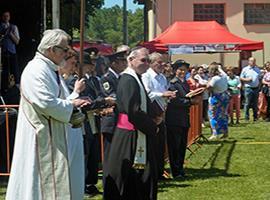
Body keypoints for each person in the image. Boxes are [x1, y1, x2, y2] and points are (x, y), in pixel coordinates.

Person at [5, 29, 91, 200]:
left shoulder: (51, 70)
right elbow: (45, 102)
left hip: (57, 135)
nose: (67, 54)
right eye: (65, 50)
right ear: (52, 49)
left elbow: (60, 99)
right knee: (38, 189)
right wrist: (72, 104)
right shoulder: (36, 69)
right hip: (42, 138)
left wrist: (74, 101)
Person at [103, 47, 159, 200]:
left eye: (148, 60)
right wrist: (152, 126)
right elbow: (132, 110)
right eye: (143, 60)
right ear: (131, 60)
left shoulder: (136, 77)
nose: (146, 63)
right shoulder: (128, 79)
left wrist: (155, 115)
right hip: (131, 134)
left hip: (137, 131)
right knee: (132, 177)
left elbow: (142, 104)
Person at [142, 52, 176, 180]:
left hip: (162, 112)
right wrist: (162, 95)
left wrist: (169, 95)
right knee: (152, 144)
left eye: (163, 62)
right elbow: (147, 94)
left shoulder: (162, 77)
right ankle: (152, 173)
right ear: (151, 63)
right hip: (151, 113)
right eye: (159, 62)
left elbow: (164, 92)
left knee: (160, 144)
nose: (162, 65)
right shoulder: (146, 76)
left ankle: (160, 172)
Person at [58, 46, 86, 200]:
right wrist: (76, 92)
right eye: (72, 63)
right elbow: (58, 105)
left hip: (73, 129)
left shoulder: (63, 79)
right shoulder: (59, 80)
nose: (74, 67)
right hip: (63, 132)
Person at [165, 60, 196, 178]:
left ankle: (180, 169)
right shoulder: (172, 83)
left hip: (183, 118)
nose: (182, 72)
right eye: (180, 69)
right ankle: (176, 171)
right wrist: (190, 102)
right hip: (174, 119)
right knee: (175, 146)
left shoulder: (185, 83)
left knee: (182, 145)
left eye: (184, 69)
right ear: (175, 71)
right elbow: (174, 101)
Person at [100, 50, 128, 169]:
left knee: (118, 152)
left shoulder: (121, 77)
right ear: (113, 64)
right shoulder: (107, 78)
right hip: (111, 121)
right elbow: (111, 96)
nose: (124, 64)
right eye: (121, 62)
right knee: (110, 153)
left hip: (119, 119)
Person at [207, 63, 230, 140]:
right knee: (223, 115)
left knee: (212, 115)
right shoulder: (224, 75)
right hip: (225, 97)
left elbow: (209, 87)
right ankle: (225, 132)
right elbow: (220, 69)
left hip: (216, 98)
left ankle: (214, 133)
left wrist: (209, 80)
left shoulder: (214, 78)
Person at [0, 11, 20, 92]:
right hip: (3, 52)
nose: (6, 17)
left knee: (15, 69)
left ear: (9, 17)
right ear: (2, 17)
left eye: (7, 16)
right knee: (4, 71)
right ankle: (4, 87)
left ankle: (17, 86)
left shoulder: (14, 27)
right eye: (4, 16)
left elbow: (17, 42)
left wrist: (10, 34)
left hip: (12, 51)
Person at [240, 57, 261, 121]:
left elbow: (259, 78)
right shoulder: (245, 69)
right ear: (249, 62)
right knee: (247, 103)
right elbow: (241, 78)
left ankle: (255, 117)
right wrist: (247, 80)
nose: (253, 62)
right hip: (248, 88)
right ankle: (246, 117)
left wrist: (259, 86)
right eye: (252, 61)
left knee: (255, 103)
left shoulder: (257, 69)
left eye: (254, 61)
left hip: (256, 88)